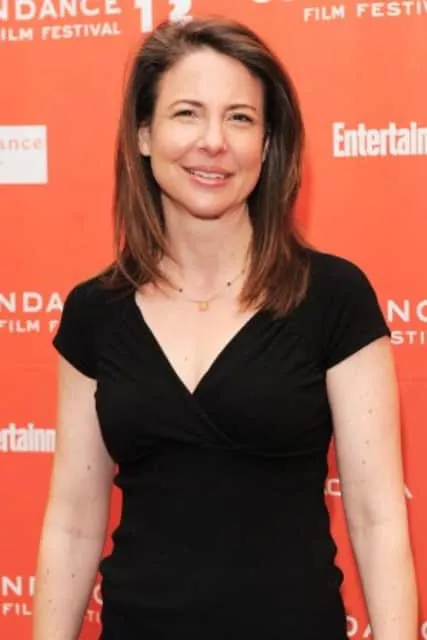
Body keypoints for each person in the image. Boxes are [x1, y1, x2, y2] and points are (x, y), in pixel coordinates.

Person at [33, 16, 417, 640]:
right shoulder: (94, 312)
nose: (213, 141)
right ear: (144, 134)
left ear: (266, 145)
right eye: (187, 113)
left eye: (239, 118)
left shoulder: (334, 296)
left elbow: (377, 518)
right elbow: (73, 522)